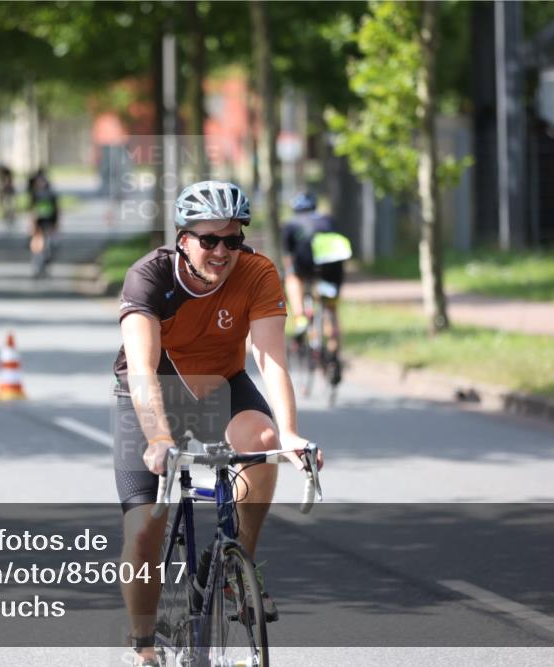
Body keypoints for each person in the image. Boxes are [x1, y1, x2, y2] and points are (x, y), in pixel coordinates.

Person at [113, 180, 323, 666]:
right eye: (210, 240)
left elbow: (271, 359)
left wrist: (289, 432)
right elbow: (143, 368)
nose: (222, 251)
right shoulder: (149, 276)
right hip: (148, 393)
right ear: (184, 238)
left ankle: (235, 565)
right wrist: (160, 438)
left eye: (233, 240)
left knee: (263, 439)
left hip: (220, 383)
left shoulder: (257, 272)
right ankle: (144, 649)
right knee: (144, 529)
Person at [281, 193, 352, 384]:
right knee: (330, 310)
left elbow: (288, 258)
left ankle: (301, 317)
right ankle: (333, 355)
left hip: (306, 262)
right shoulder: (328, 219)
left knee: (291, 276)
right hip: (332, 268)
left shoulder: (291, 224)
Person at [28, 169, 58, 278]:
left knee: (49, 247)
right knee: (37, 247)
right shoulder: (35, 195)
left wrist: (55, 224)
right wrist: (32, 224)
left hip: (49, 224)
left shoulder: (51, 195)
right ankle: (37, 267)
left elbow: (56, 210)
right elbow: (32, 211)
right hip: (38, 224)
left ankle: (45, 266)